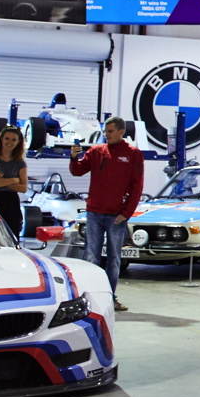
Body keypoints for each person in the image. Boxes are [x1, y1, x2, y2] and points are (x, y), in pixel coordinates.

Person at [69, 117, 146, 311]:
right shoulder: (96, 151)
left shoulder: (133, 154)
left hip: (116, 216)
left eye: (110, 131)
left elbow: (137, 186)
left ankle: (110, 298)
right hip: (94, 213)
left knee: (114, 259)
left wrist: (126, 213)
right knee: (91, 257)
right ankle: (89, 298)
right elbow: (77, 171)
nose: (107, 134)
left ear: (121, 131)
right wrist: (74, 158)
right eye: (105, 131)